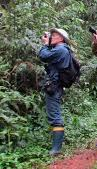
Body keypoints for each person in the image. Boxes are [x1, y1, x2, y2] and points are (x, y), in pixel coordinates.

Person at [39, 28, 72, 156]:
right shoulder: (61, 49)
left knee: (55, 116)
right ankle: (56, 147)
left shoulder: (61, 49)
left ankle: (56, 149)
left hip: (54, 86)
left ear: (62, 38)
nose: (51, 36)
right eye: (51, 35)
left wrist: (45, 44)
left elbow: (43, 56)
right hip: (56, 85)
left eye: (54, 35)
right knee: (54, 114)